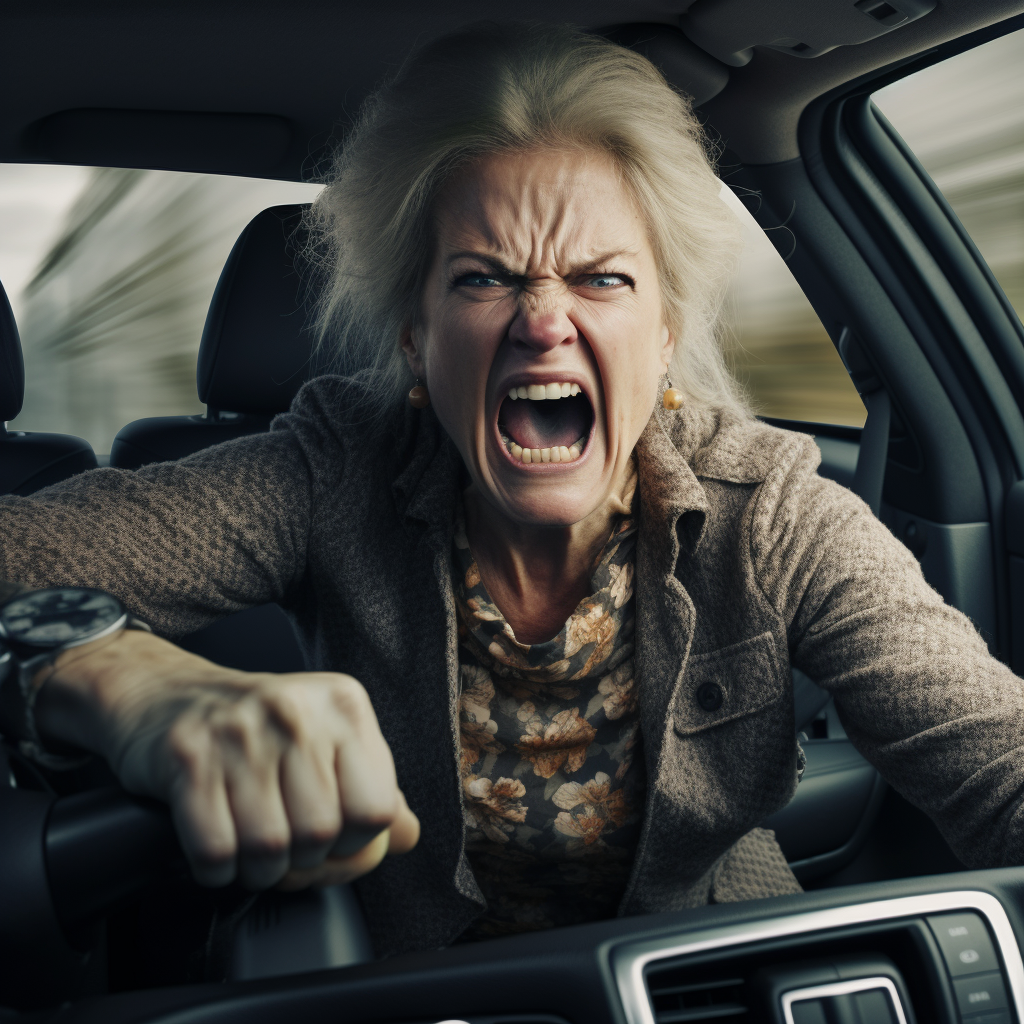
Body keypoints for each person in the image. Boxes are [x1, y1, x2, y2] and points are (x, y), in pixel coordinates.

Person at [0, 22, 1021, 958]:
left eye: (601, 279)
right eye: (484, 278)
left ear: (663, 333)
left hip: (700, 973)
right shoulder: (329, 465)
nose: (542, 322)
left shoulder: (773, 509)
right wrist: (121, 677)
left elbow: (998, 764)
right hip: (424, 988)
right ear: (415, 337)